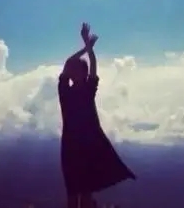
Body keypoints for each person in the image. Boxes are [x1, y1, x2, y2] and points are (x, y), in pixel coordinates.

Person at [58, 22, 136, 208]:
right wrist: (86, 48)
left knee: (83, 191)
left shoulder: (83, 90)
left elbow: (91, 65)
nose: (72, 71)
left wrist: (88, 49)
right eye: (72, 69)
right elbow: (70, 63)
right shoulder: (67, 91)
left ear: (82, 74)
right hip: (74, 145)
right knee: (75, 191)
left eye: (76, 69)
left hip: (82, 145)